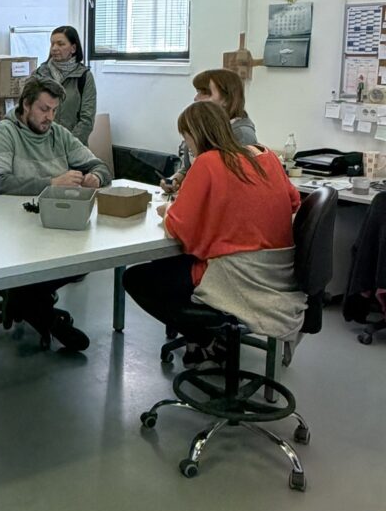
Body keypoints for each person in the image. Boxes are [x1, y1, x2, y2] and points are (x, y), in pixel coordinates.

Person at [123, 101, 305, 368]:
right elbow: (294, 202)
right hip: (278, 274)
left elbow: (179, 228)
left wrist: (167, 211)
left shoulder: (208, 162)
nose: (188, 147)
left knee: (136, 278)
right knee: (170, 266)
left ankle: (205, 339)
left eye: (186, 138)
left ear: (195, 135)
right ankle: (205, 340)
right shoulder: (266, 156)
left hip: (234, 276)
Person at [0, 77, 112, 350]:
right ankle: (47, 319)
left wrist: (96, 177)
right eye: (43, 109)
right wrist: (51, 183)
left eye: (54, 110)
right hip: (9, 227)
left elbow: (100, 165)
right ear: (26, 105)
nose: (49, 117)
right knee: (34, 264)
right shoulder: (4, 132)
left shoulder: (58, 134)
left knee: (84, 259)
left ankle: (23, 301)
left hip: (52, 223)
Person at [161, 68, 257, 193]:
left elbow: (237, 183)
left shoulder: (242, 134)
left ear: (227, 99)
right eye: (197, 92)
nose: (196, 99)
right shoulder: (201, 127)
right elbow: (188, 168)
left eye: (205, 93)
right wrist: (175, 179)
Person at [32, 25, 96, 144]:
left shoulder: (84, 77)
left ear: (73, 48)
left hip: (72, 146)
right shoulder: (39, 74)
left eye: (60, 44)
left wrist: (67, 145)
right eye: (52, 44)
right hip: (41, 145)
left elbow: (87, 120)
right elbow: (28, 111)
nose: (54, 48)